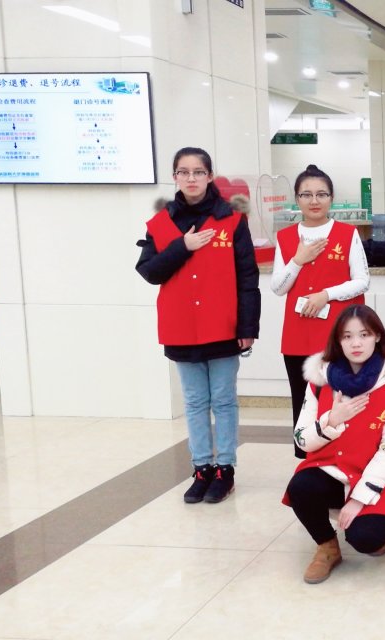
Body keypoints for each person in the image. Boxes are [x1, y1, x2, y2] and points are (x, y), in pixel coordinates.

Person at [135, 147, 260, 504]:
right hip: (181, 326)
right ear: (175, 176)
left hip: (223, 325)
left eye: (198, 172)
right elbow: (150, 272)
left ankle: (225, 470)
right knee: (193, 401)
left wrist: (247, 326)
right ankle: (202, 468)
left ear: (209, 176)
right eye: (184, 172)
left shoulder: (232, 220)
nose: (191, 178)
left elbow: (247, 276)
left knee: (223, 400)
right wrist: (183, 246)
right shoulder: (160, 223)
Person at [283, 305, 385, 584]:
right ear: (338, 340)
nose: (356, 343)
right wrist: (330, 421)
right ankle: (327, 547)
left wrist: (359, 499)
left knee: (366, 539)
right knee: (300, 487)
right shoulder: (319, 380)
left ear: (377, 337)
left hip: (380, 475)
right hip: (333, 467)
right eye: (347, 336)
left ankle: (376, 528)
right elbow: (301, 438)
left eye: (364, 335)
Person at [271, 164, 369, 458]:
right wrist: (297, 260)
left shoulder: (347, 233)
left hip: (340, 336)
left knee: (341, 399)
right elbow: (278, 287)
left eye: (321, 194)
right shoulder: (286, 237)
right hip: (298, 335)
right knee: (302, 401)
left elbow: (362, 280)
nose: (314, 201)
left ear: (331, 198)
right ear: (297, 199)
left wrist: (326, 295)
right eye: (307, 194)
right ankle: (306, 462)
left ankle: (344, 459)